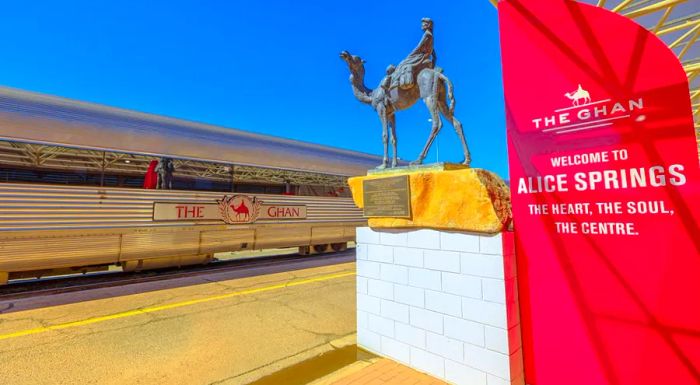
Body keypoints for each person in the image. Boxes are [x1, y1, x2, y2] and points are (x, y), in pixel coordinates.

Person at [391, 18, 437, 89]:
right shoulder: (431, 36)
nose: (422, 25)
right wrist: (433, 65)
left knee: (403, 64)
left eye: (424, 23)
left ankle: (396, 81)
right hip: (426, 57)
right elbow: (434, 54)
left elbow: (419, 47)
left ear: (428, 25)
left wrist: (410, 55)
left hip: (421, 57)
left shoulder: (427, 34)